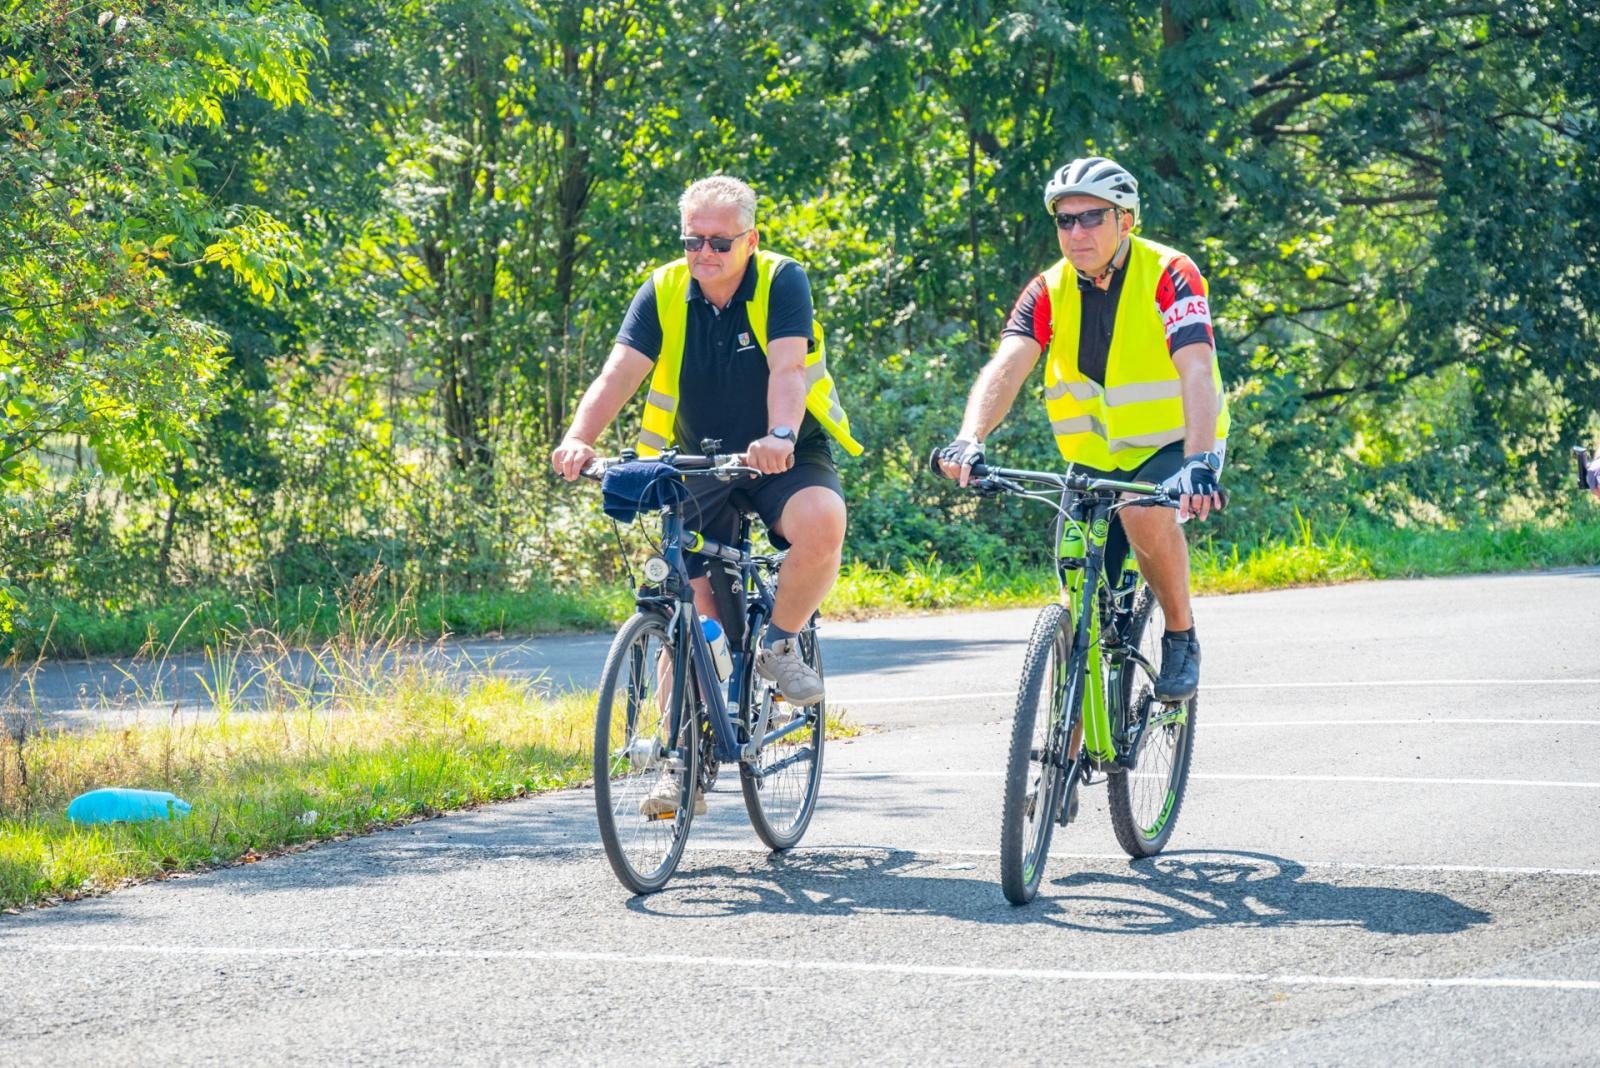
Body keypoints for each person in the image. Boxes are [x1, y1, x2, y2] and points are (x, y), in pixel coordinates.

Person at [552, 174, 860, 730]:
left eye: (720, 242)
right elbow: (618, 373)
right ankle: (678, 765)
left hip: (782, 456)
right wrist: (579, 437)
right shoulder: (664, 288)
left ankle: (781, 645)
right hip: (699, 460)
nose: (705, 253)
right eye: (693, 240)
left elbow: (788, 368)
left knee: (822, 522)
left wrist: (782, 436)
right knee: (688, 615)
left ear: (751, 240)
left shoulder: (782, 280)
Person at [935, 156, 1229, 703]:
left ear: (1126, 220)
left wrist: (1200, 461)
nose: (1076, 232)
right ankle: (1059, 776)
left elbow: (1195, 367)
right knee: (1078, 587)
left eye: (1092, 217)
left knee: (1144, 514)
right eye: (1065, 220)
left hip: (1173, 441)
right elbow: (1009, 362)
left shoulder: (1169, 273)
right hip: (1094, 456)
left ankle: (1182, 634)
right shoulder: (1048, 289)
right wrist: (970, 437)